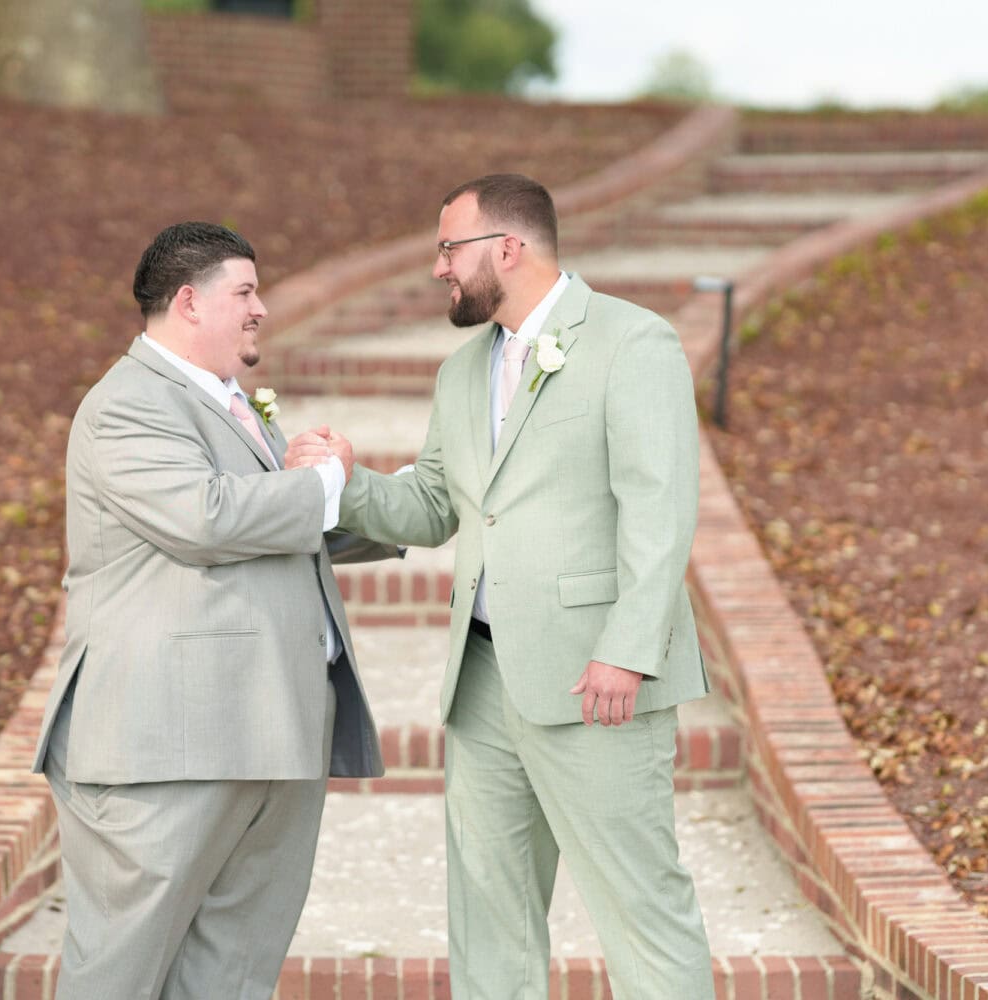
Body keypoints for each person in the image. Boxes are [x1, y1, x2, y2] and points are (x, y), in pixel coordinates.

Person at [332, 174, 715, 999]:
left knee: (642, 909)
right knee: (489, 923)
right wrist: (345, 483)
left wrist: (628, 650)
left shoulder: (632, 342)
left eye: (449, 248)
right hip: (480, 683)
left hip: (597, 681)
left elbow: (660, 508)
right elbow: (436, 506)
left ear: (510, 247)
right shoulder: (463, 372)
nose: (438, 268)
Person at [29, 221, 394, 1000]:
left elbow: (278, 525)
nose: (261, 307)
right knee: (118, 975)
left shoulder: (227, 403)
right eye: (246, 291)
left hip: (268, 731)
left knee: (230, 974)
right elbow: (206, 519)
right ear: (189, 302)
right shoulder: (125, 405)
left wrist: (404, 506)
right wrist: (320, 485)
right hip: (164, 745)